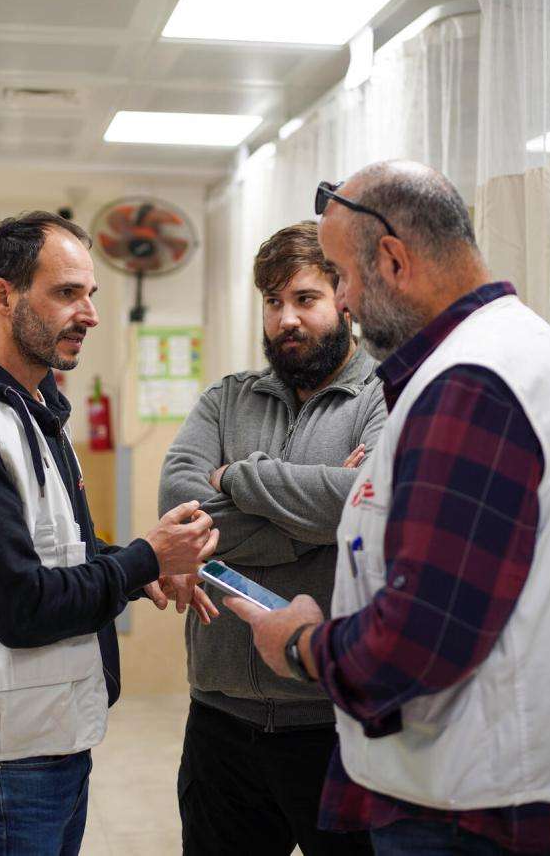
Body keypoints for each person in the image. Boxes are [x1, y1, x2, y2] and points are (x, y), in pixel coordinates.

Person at [230, 162, 550, 855]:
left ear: (394, 260)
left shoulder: (472, 383)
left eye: (341, 278)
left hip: (483, 804)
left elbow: (421, 635)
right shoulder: (545, 360)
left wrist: (300, 642)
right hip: (525, 781)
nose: (342, 305)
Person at [0, 210, 219, 855]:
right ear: (2, 297)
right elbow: (18, 605)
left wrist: (142, 563)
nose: (89, 312)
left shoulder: (33, 407)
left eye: (90, 293)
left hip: (49, 728)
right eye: (67, 293)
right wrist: (143, 558)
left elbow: (56, 553)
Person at [159, 221, 386, 856]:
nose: (286, 319)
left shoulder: (384, 397)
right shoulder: (226, 399)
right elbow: (179, 512)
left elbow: (369, 505)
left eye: (305, 299)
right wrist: (315, 526)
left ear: (343, 299)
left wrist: (236, 478)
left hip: (334, 725)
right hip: (220, 719)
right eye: (272, 302)